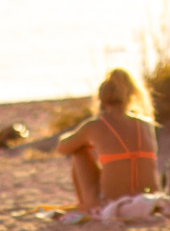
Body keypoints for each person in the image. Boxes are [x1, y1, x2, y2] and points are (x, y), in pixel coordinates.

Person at [56, 67, 158, 212]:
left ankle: (84, 205)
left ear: (101, 99)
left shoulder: (95, 125)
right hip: (149, 198)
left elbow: (62, 148)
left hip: (110, 203)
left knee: (80, 152)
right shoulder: (146, 123)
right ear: (129, 96)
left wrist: (70, 137)